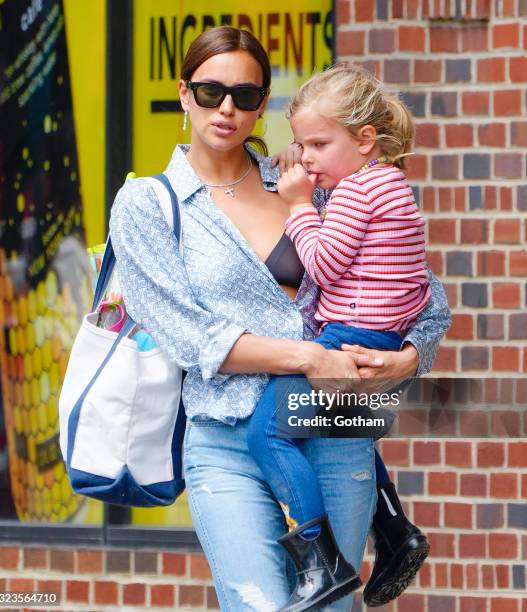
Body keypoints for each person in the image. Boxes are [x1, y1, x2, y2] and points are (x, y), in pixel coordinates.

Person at [109, 26, 451, 612]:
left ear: (262, 104)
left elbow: (418, 289)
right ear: (184, 93)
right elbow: (190, 335)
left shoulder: (307, 183)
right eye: (211, 90)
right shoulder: (150, 204)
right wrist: (309, 356)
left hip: (338, 431)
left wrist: (406, 358)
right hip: (227, 438)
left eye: (245, 95)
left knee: (330, 607)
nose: (226, 108)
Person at [247, 64, 432, 610]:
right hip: (377, 334)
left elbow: (324, 265)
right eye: (300, 144)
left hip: (347, 334)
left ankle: (318, 564)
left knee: (270, 437)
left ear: (365, 139)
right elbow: (417, 282)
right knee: (347, 426)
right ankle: (396, 530)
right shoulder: (394, 183)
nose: (307, 158)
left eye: (319, 144)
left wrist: (298, 205)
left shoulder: (354, 191)